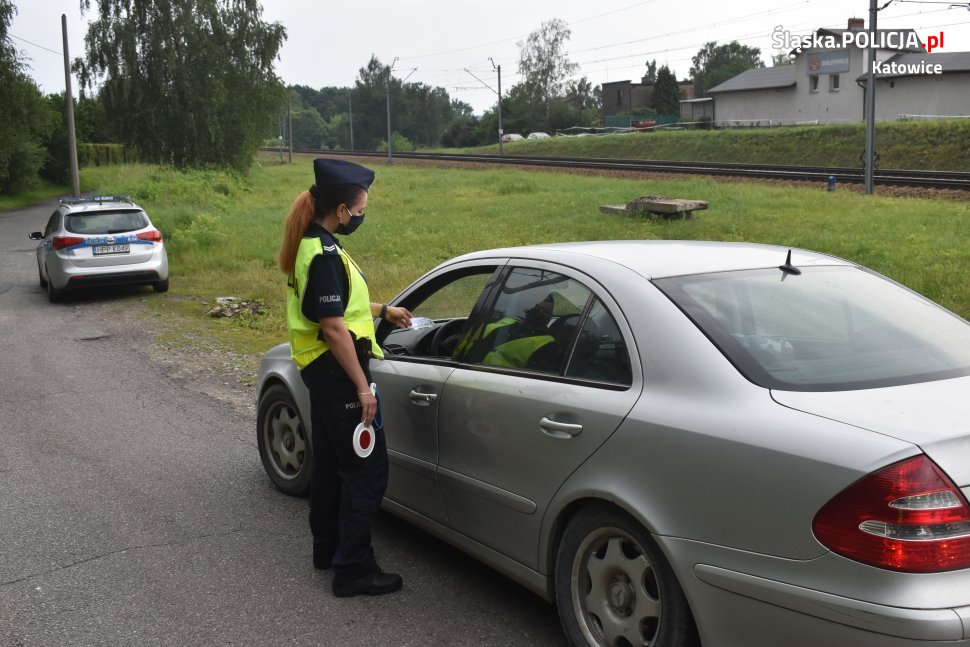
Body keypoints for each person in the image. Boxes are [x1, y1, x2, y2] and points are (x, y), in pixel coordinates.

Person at [277, 158, 413, 598]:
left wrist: (383, 310)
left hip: (320, 371)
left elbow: (336, 304)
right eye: (360, 210)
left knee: (333, 465)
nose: (361, 216)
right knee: (366, 471)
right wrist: (361, 386)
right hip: (338, 373)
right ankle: (354, 570)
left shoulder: (312, 245)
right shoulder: (324, 254)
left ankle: (327, 549)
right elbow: (334, 327)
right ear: (341, 211)